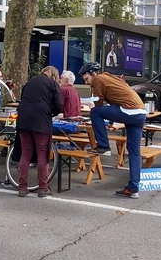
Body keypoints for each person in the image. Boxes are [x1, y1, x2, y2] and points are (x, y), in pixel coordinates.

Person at [78, 61, 147, 199]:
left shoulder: (98, 79)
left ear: (93, 73)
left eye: (86, 79)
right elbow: (116, 101)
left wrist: (90, 108)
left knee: (95, 112)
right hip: (140, 113)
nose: (86, 83)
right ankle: (133, 188)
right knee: (134, 151)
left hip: (129, 110)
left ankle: (103, 146)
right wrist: (111, 121)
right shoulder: (110, 79)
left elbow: (97, 103)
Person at [15, 66, 62, 197]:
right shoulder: (52, 84)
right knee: (42, 154)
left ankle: (22, 188)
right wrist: (50, 111)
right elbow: (59, 106)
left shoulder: (29, 83)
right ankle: (42, 188)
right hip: (41, 120)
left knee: (25, 153)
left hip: (23, 119)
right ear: (53, 74)